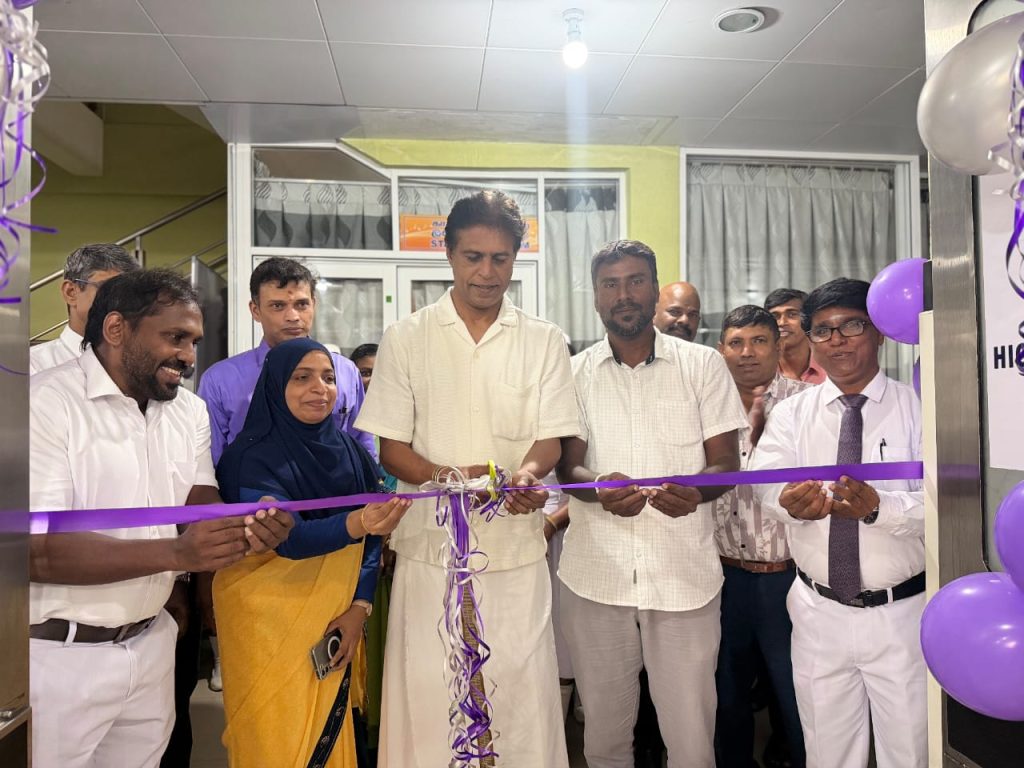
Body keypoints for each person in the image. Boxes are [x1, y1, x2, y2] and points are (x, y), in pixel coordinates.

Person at [28, 269, 292, 768]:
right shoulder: (44, 404)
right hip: (59, 660)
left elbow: (197, 497)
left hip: (151, 646)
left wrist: (244, 526)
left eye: (193, 342)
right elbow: (34, 551)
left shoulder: (187, 411)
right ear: (116, 329)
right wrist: (177, 553)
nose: (188, 357)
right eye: (175, 338)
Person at [355, 190, 579, 768]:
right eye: (473, 257)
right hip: (431, 549)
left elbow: (550, 439)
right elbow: (392, 449)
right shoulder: (407, 337)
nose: (487, 272)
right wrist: (450, 478)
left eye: (500, 259)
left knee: (520, 696)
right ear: (449, 254)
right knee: (430, 697)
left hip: (515, 550)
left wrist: (527, 475)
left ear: (516, 258)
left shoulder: (544, 339)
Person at [557, 239, 747, 768]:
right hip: (597, 578)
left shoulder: (703, 365)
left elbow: (726, 464)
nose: (624, 294)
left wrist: (696, 491)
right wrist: (598, 487)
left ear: (655, 289)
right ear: (596, 296)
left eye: (635, 281)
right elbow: (568, 468)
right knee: (604, 740)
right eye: (610, 284)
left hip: (683, 578)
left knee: (691, 740)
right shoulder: (574, 372)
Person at [751, 278, 926, 768]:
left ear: (879, 333)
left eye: (852, 326)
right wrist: (790, 503)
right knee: (827, 754)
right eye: (823, 330)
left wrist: (879, 508)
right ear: (810, 339)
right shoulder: (791, 414)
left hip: (902, 615)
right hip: (818, 611)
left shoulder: (919, 408)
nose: (838, 340)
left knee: (910, 753)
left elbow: (946, 507)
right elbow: (765, 485)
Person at [213, 337, 409, 768]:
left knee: (336, 735)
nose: (319, 389)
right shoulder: (249, 459)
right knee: (275, 739)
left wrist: (359, 607)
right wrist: (358, 522)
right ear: (275, 386)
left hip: (338, 616)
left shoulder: (352, 452)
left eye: (328, 378)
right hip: (267, 622)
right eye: (302, 378)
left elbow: (372, 539)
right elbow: (287, 539)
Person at [713, 305, 809, 768]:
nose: (747, 352)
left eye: (759, 341)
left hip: (788, 577)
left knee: (797, 695)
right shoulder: (705, 405)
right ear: (721, 350)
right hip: (723, 577)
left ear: (778, 345)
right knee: (726, 695)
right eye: (736, 343)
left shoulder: (806, 404)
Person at [199, 256, 374, 464]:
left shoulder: (346, 372)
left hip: (337, 485)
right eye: (277, 306)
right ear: (255, 310)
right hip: (251, 484)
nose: (293, 316)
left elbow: (363, 449)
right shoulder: (220, 380)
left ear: (314, 305)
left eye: (302, 304)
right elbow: (210, 463)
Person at [30, 243, 141, 374]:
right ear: (71, 292)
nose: (121, 300)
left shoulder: (144, 361)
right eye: (108, 289)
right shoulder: (32, 366)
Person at [764, 288, 826, 384]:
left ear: (808, 320)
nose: (782, 323)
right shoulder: (759, 372)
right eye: (775, 316)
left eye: (792, 314)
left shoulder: (830, 368)